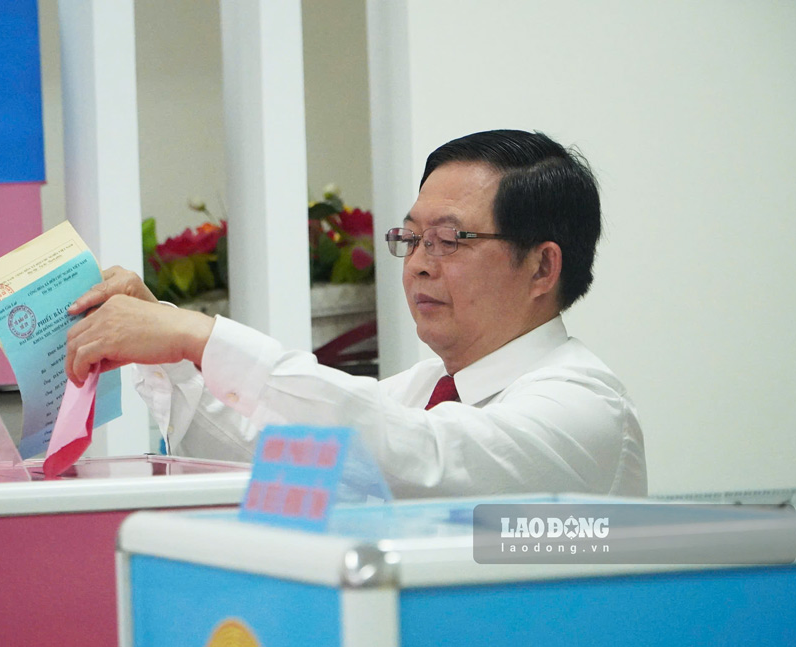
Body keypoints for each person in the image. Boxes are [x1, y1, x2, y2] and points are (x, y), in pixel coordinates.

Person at [65, 129, 647, 498]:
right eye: (411, 239)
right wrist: (168, 351)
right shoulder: (421, 389)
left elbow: (422, 461)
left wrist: (200, 336)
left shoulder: (585, 407)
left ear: (542, 268)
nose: (419, 265)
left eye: (450, 240)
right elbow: (265, 456)